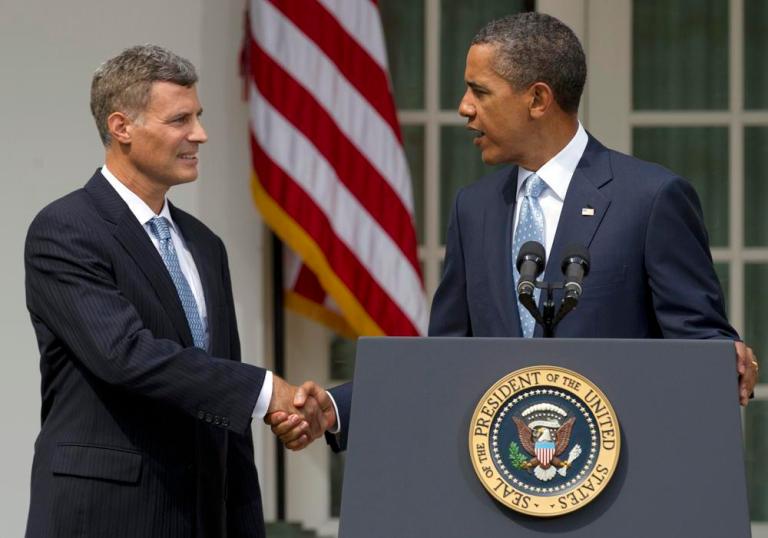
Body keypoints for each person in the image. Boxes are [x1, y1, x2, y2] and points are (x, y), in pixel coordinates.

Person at [267, 12, 759, 453]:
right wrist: (336, 408)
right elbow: (447, 356)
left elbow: (698, 341)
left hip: (622, 484)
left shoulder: (650, 198)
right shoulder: (475, 208)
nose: (464, 107)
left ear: (538, 99)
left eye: (480, 91)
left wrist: (723, 356)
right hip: (501, 483)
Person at [24, 45, 334, 537]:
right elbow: (125, 355)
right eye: (180, 120)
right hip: (106, 517)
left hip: (204, 517)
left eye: (199, 116)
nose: (200, 134)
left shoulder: (205, 245)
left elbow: (218, 383)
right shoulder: (65, 229)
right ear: (122, 127)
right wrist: (266, 391)